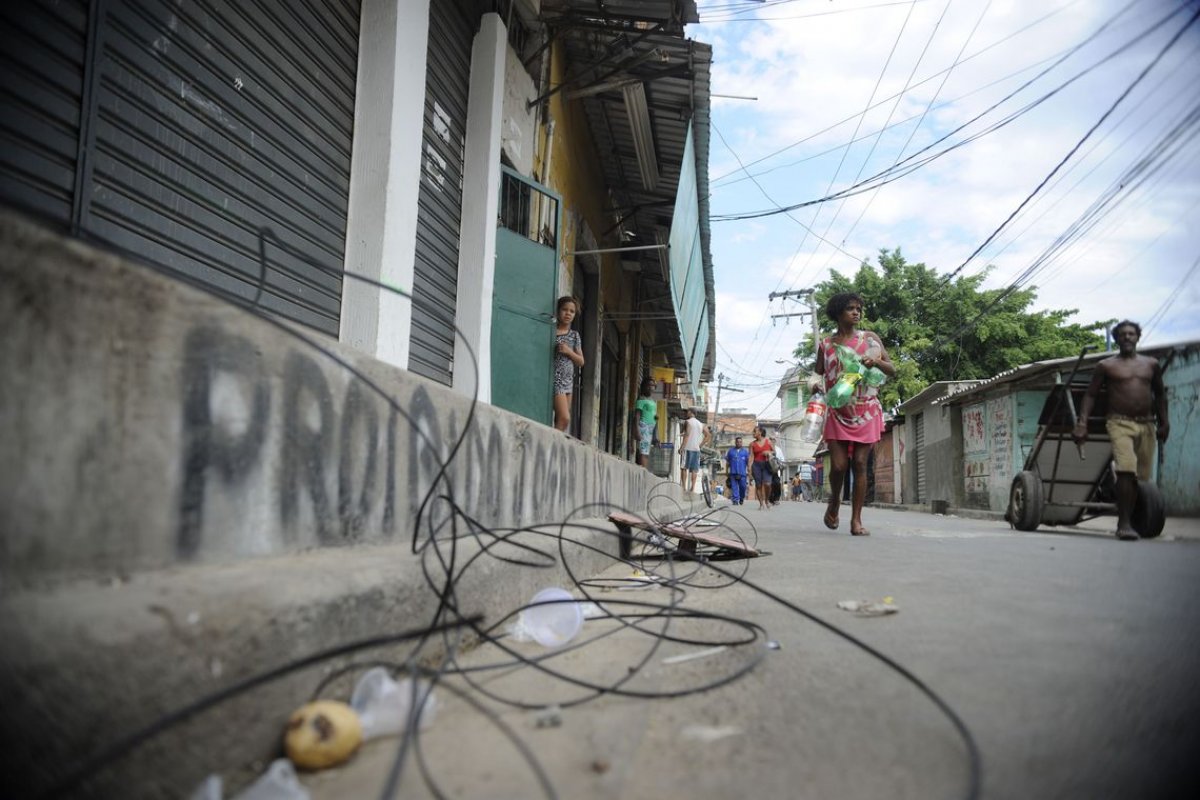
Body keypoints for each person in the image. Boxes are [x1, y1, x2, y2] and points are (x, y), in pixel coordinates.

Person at [1072, 320, 1169, 541]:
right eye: (1123, 334)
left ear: (1137, 337)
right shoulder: (1106, 366)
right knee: (1126, 469)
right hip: (1118, 422)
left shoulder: (1151, 365)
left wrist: (1165, 422)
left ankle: (1134, 518)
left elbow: (1161, 395)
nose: (1127, 337)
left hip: (1146, 424)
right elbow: (1091, 395)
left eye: (1131, 334)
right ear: (1116, 339)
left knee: (1142, 477)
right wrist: (1082, 423)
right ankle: (1123, 523)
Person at [815, 291, 896, 536]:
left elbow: (891, 369)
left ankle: (856, 520)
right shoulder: (826, 345)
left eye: (858, 308)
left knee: (860, 464)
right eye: (850, 308)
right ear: (838, 313)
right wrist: (815, 385)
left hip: (866, 409)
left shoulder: (870, 339)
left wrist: (877, 363)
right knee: (839, 466)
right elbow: (818, 373)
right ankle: (835, 503)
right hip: (838, 411)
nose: (856, 312)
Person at [552, 296, 584, 433]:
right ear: (558, 311)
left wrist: (569, 352)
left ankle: (553, 451)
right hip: (555, 379)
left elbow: (581, 361)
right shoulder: (550, 331)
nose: (568, 313)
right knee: (565, 418)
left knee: (560, 420)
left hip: (568, 382)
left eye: (572, 311)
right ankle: (549, 446)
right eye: (565, 309)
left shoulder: (574, 335)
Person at [678, 408, 708, 492]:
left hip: (687, 448)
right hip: (696, 449)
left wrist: (681, 447)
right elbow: (708, 435)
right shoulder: (701, 424)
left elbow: (687, 435)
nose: (686, 413)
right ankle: (692, 488)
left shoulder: (688, 422)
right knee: (694, 469)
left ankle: (683, 487)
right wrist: (700, 445)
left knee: (684, 468)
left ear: (691, 412)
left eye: (687, 412)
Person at [633, 379, 658, 468]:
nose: (651, 387)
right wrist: (637, 431)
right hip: (644, 427)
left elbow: (655, 417)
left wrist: (656, 435)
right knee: (643, 451)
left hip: (650, 429)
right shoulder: (641, 399)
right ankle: (643, 470)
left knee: (646, 451)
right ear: (644, 387)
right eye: (649, 385)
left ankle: (643, 470)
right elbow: (637, 416)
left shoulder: (653, 401)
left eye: (653, 386)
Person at [749, 425, 774, 510]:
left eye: (754, 431)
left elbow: (774, 452)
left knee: (768, 484)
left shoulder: (768, 442)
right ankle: (761, 504)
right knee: (758, 485)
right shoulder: (752, 444)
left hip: (767, 464)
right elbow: (751, 457)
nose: (753, 433)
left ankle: (766, 500)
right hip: (756, 465)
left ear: (760, 432)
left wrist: (768, 452)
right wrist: (749, 469)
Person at [724, 436, 750, 506]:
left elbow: (748, 463)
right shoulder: (730, 451)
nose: (739, 443)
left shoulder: (745, 452)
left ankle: (741, 498)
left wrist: (750, 471)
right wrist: (726, 471)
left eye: (740, 442)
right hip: (733, 472)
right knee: (734, 487)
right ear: (735, 442)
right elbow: (727, 462)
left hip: (742, 473)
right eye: (737, 442)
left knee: (743, 487)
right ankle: (735, 500)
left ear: (742, 443)